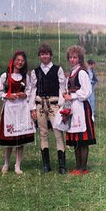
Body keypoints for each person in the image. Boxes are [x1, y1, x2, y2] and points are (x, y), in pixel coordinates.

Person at [0, 51, 35, 175]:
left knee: (20, 139)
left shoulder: (26, 77)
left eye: (22, 60)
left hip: (22, 109)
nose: (20, 62)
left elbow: (30, 91)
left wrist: (24, 94)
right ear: (14, 60)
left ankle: (18, 165)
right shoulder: (5, 76)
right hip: (10, 109)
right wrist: (7, 95)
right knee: (9, 138)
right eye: (18, 60)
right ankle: (6, 163)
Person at [30, 43, 67, 174]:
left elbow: (62, 88)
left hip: (54, 104)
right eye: (42, 54)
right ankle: (46, 164)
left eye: (47, 54)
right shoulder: (35, 72)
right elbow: (33, 90)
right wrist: (32, 108)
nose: (44, 56)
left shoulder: (58, 70)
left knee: (58, 133)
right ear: (39, 56)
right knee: (43, 134)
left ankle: (62, 165)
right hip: (40, 105)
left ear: (51, 55)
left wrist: (61, 106)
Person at [63, 45, 96, 175]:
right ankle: (77, 166)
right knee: (76, 139)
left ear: (80, 58)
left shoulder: (82, 73)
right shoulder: (71, 73)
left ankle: (83, 167)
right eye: (70, 57)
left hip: (82, 107)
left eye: (75, 57)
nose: (72, 59)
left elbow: (87, 91)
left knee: (82, 139)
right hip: (72, 107)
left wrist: (73, 96)